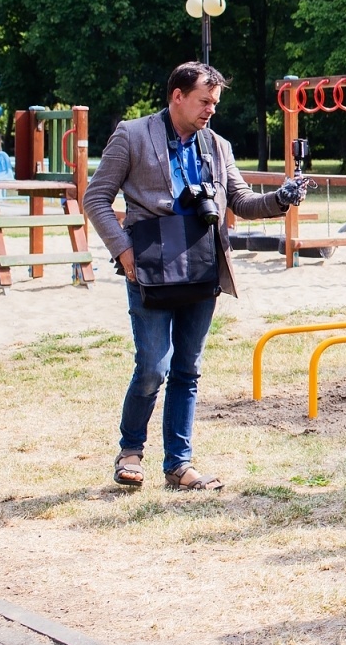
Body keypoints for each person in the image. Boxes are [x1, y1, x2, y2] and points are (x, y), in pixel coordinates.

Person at [84, 62, 306, 490]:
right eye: (205, 102)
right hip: (147, 268)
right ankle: (131, 450)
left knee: (187, 369)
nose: (211, 111)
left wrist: (280, 198)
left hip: (203, 267)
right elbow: (95, 197)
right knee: (152, 367)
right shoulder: (132, 135)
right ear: (178, 96)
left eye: (215, 104)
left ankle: (179, 466)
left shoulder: (217, 145)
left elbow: (239, 201)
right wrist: (124, 252)